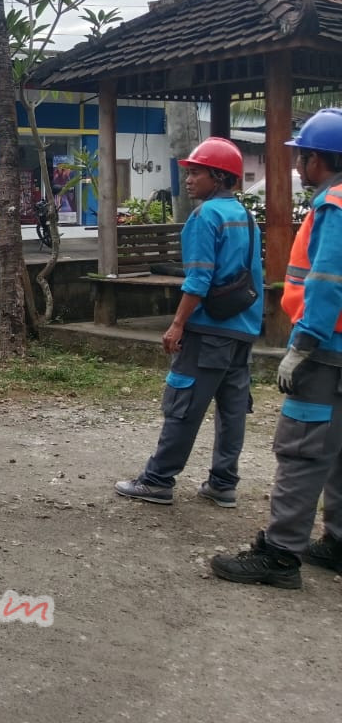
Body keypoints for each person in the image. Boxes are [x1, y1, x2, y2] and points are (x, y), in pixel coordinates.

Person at [211, 109, 342, 589]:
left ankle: (281, 554)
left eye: (302, 156)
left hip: (326, 350)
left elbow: (328, 284)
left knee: (302, 451)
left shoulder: (335, 206)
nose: (300, 166)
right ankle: (338, 543)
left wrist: (302, 344)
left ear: (317, 160)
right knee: (340, 449)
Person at [114, 137, 262, 508]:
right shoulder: (245, 216)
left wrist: (177, 323)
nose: (189, 179)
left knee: (184, 404)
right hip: (242, 329)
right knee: (232, 410)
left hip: (208, 330)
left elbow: (198, 280)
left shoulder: (204, 217)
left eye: (196, 172)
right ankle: (223, 483)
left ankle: (158, 480)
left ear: (218, 175)